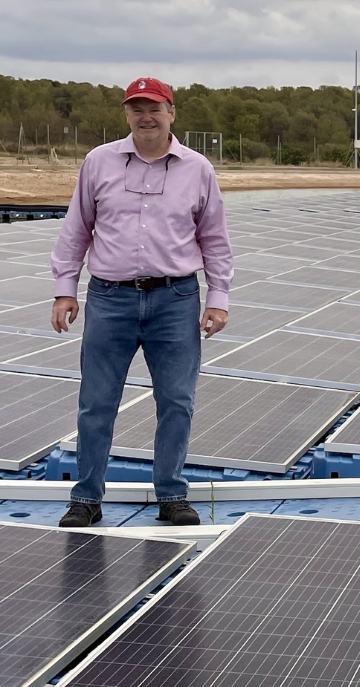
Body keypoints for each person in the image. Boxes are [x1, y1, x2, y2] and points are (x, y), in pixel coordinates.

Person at [50, 77, 233, 527]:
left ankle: (172, 494)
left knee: (176, 401)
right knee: (96, 402)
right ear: (127, 114)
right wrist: (65, 288)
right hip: (110, 300)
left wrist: (219, 297)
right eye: (136, 108)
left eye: (154, 107)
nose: (145, 116)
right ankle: (86, 498)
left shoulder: (197, 168)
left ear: (172, 112)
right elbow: (77, 228)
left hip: (175, 299)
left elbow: (215, 239)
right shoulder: (99, 162)